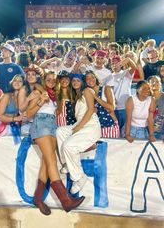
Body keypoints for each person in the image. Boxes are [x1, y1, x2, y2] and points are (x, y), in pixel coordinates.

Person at [26, 71, 85, 215]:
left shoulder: (54, 96)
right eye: (48, 79)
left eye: (53, 80)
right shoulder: (40, 93)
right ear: (44, 80)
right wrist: (40, 101)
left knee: (46, 164)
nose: (51, 81)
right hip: (41, 124)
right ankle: (65, 201)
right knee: (52, 162)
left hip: (52, 126)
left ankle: (38, 198)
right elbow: (28, 114)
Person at [56, 74, 101, 194]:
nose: (75, 82)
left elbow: (91, 109)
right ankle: (66, 162)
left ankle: (79, 177)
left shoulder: (87, 90)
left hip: (90, 126)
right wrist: (78, 126)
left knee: (69, 146)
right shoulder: (76, 95)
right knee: (60, 131)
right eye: (73, 80)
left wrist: (79, 127)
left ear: (82, 82)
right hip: (80, 125)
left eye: (78, 80)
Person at [85, 71, 120, 138]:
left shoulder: (106, 88)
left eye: (92, 77)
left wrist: (95, 96)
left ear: (96, 78)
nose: (90, 80)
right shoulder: (88, 93)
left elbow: (112, 108)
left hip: (110, 126)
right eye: (87, 78)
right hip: (97, 128)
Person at [111, 55, 136, 133]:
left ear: (121, 63)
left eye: (117, 63)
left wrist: (128, 59)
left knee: (126, 131)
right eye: (113, 63)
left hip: (126, 108)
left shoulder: (126, 73)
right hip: (114, 108)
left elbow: (134, 67)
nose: (115, 65)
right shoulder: (109, 76)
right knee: (117, 131)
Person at [148, 76, 164, 140]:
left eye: (157, 81)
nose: (155, 83)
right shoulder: (146, 98)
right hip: (147, 131)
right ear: (149, 84)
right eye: (152, 82)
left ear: (160, 84)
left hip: (161, 132)